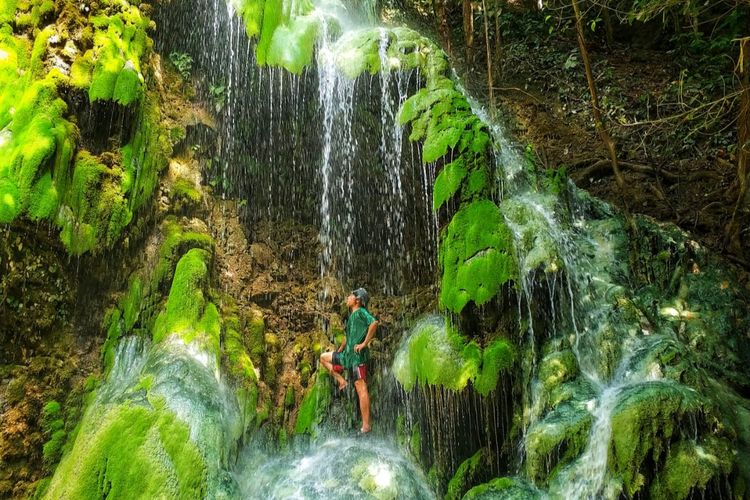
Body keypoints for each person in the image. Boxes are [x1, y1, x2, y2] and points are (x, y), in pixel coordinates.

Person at [320, 287, 379, 433]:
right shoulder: (352, 316)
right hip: (347, 356)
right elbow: (347, 338)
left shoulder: (361, 312)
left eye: (350, 296)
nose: (347, 298)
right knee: (323, 357)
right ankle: (342, 381)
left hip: (358, 357)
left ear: (357, 300)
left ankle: (366, 425)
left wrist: (364, 343)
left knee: (361, 387)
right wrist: (339, 352)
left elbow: (374, 323)